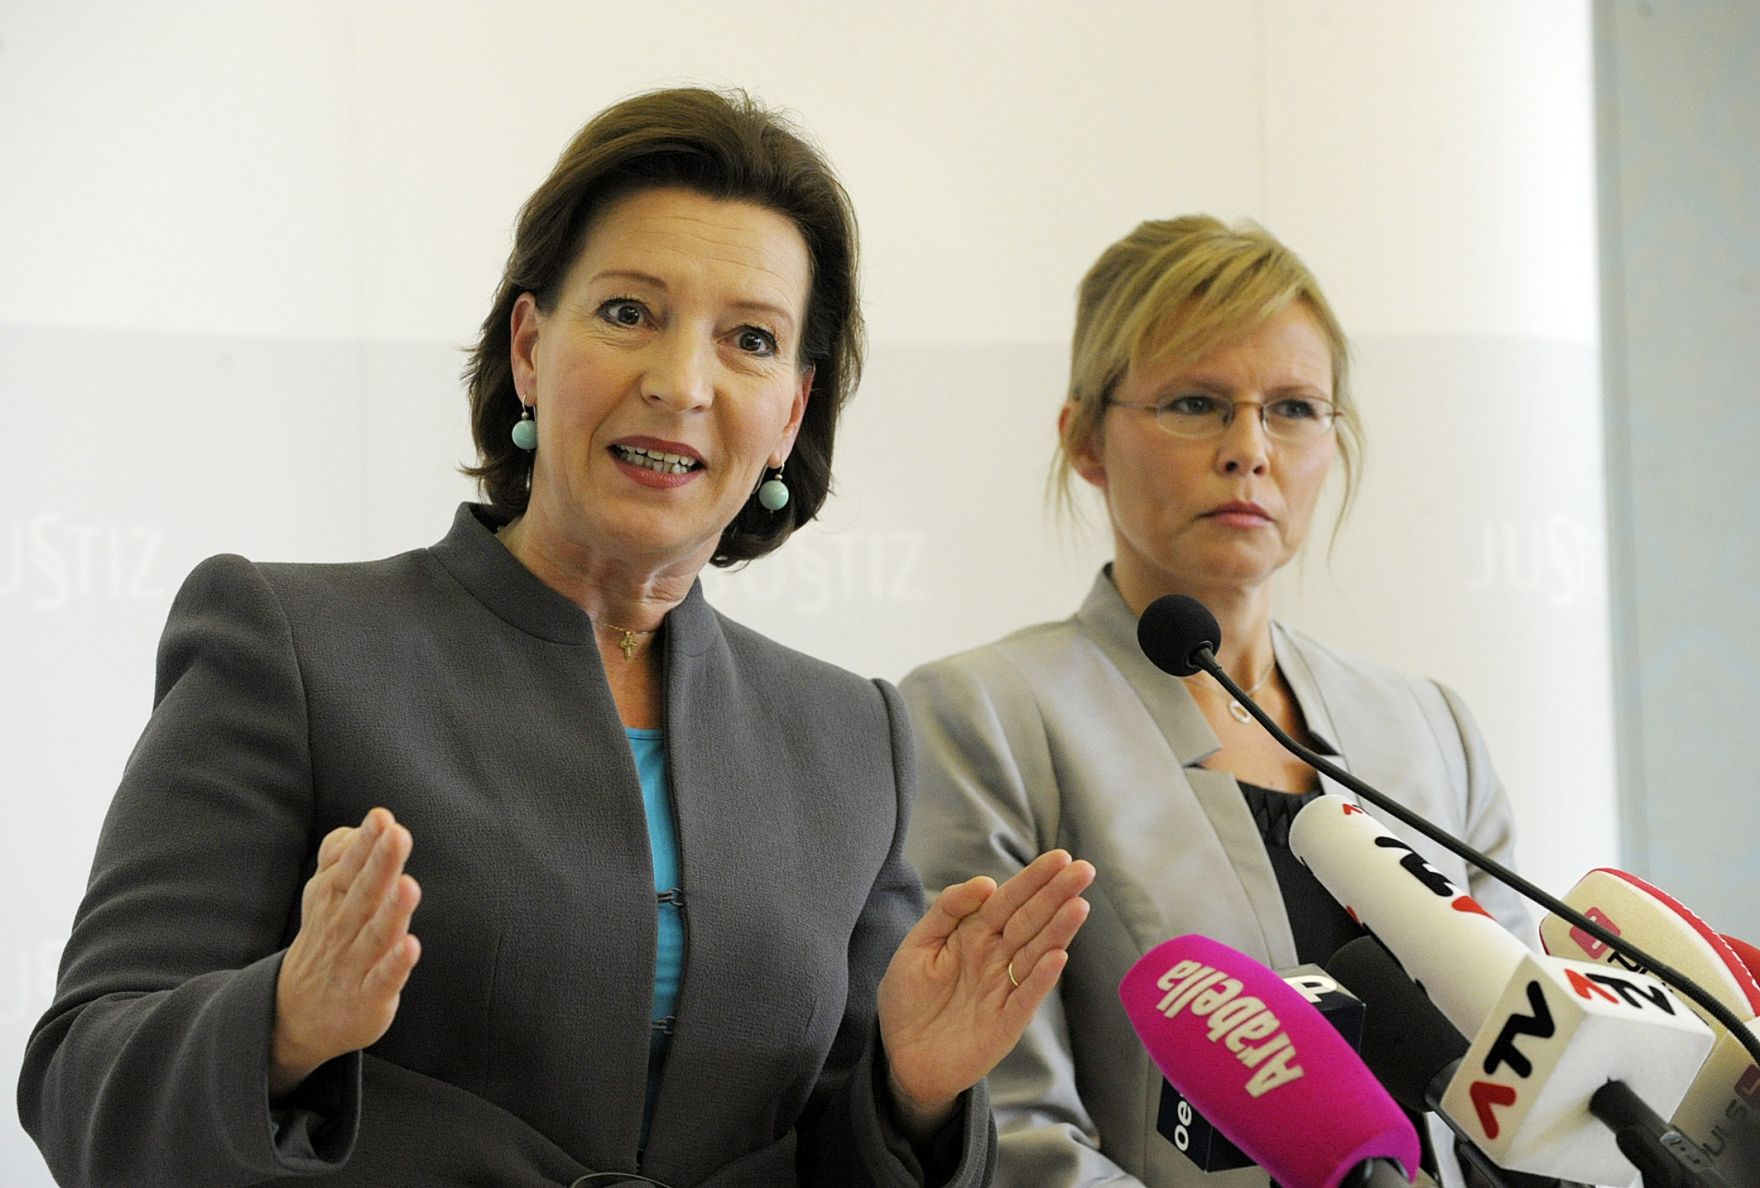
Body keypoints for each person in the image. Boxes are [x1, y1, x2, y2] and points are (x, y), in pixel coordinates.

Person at [17, 87, 1095, 1188]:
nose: (679, 383)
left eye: (749, 340)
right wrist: (285, 1022)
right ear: (530, 348)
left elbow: (841, 1150)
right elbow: (80, 1086)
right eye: (629, 312)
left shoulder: (849, 736)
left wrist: (910, 1096)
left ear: (790, 413)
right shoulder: (289, 644)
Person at [900, 215, 1531, 1187]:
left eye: (1292, 409)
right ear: (1083, 442)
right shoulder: (982, 713)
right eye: (1194, 403)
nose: (1248, 449)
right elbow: (1012, 1133)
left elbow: (1527, 1077)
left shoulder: (1427, 728)